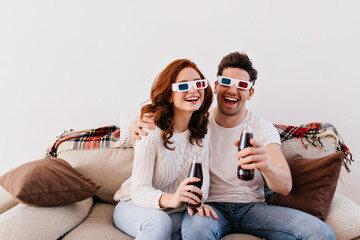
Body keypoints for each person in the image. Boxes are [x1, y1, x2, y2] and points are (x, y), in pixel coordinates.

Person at [131, 52, 335, 240]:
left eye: (242, 86)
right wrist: (134, 126)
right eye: (226, 82)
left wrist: (267, 165)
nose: (232, 90)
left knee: (320, 233)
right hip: (210, 207)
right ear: (216, 85)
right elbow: (164, 127)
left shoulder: (262, 128)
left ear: (251, 93)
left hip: (252, 207)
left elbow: (285, 186)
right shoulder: (198, 124)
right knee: (196, 231)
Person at [113, 59, 217, 240]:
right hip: (135, 204)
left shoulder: (202, 128)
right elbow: (139, 190)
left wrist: (196, 200)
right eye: (184, 86)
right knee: (160, 223)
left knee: (197, 224)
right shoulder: (150, 128)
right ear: (169, 95)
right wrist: (173, 199)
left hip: (175, 209)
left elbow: (203, 179)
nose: (193, 90)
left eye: (198, 84)